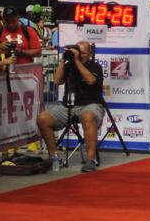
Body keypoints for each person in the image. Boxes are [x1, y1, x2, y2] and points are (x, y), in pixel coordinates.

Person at [36, 42, 105, 173]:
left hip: (91, 104)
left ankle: (90, 160)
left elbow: (91, 81)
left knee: (87, 116)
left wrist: (77, 62)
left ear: (90, 54)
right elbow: (57, 81)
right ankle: (54, 157)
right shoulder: (68, 65)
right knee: (43, 118)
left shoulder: (95, 66)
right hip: (68, 106)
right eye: (77, 52)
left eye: (82, 53)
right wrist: (63, 60)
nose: (79, 55)